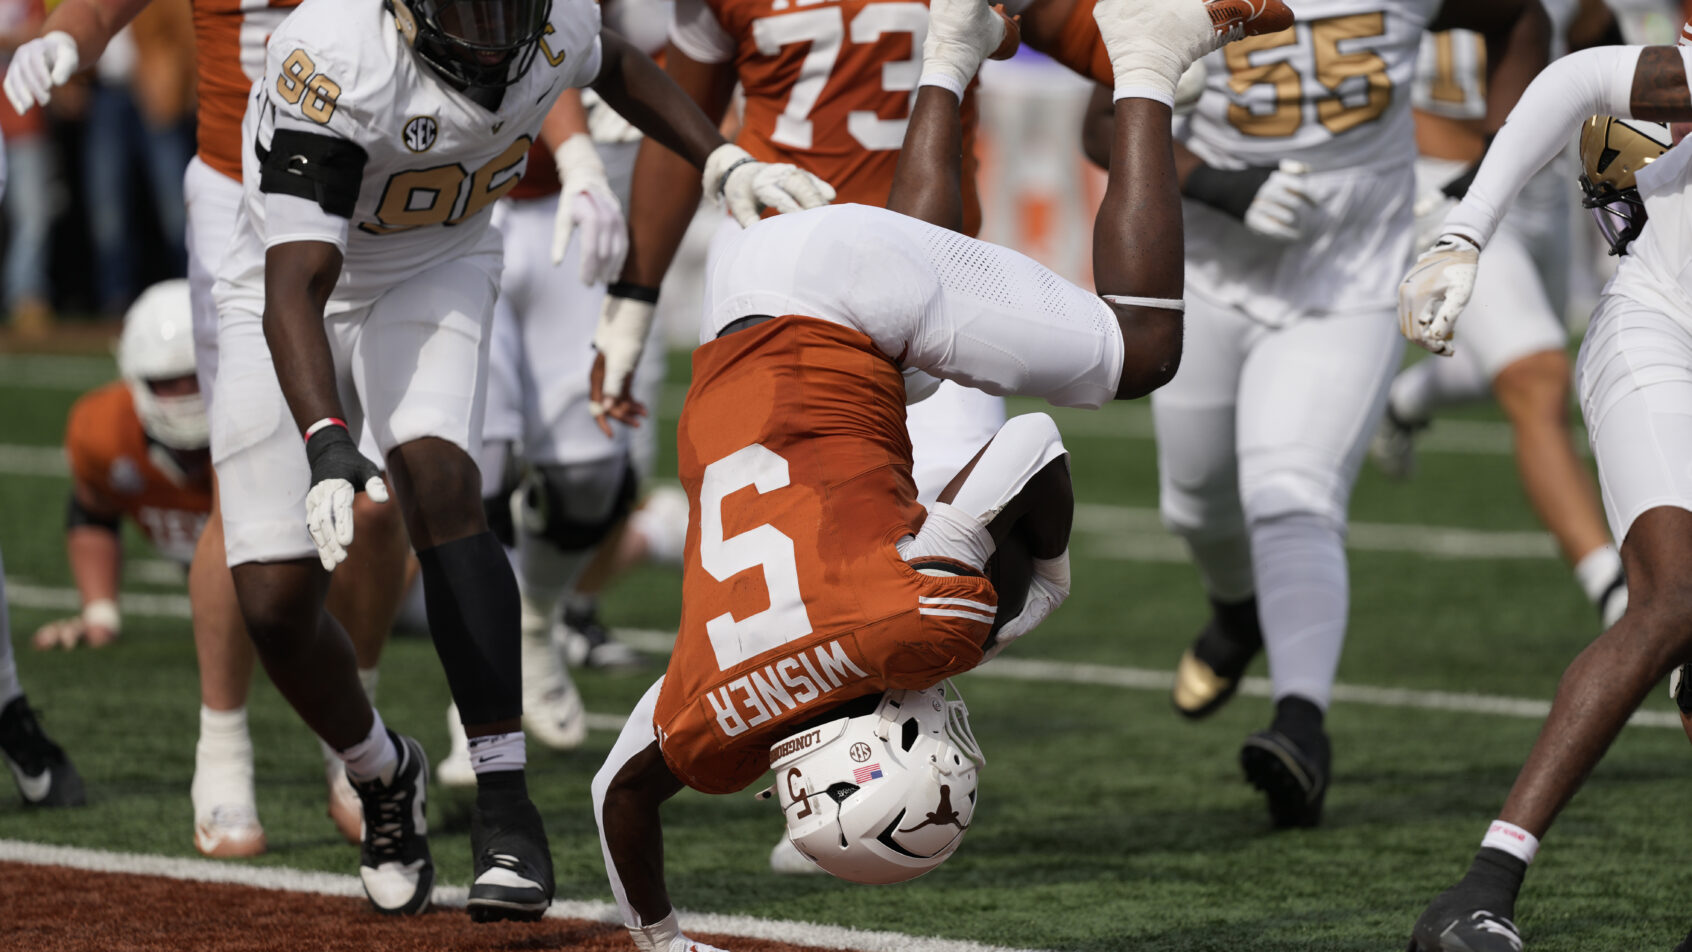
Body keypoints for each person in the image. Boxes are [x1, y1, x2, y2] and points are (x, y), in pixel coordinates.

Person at [587, 0, 1291, 947]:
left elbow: (1032, 445)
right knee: (916, 353)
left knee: (1143, 351)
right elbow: (617, 794)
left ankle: (1145, 57)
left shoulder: (919, 627)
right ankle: (950, 50)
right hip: (750, 291)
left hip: (834, 292)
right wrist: (663, 943)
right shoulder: (709, 714)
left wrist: (1042, 583)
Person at [203, 0, 832, 920]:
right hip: (288, 284)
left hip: (438, 263)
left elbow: (618, 64)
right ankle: (381, 769)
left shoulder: (554, 22)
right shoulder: (333, 52)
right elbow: (296, 285)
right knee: (273, 601)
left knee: (443, 485)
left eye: (509, 4)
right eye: (471, 7)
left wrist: (719, 158)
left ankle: (505, 808)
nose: (493, 30)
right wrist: (327, 439)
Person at [1077, 0, 1549, 829]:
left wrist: (1488, 164)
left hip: (1349, 280)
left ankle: (1301, 727)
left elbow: (1520, 18)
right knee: (1195, 505)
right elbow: (1099, 125)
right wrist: (1221, 183)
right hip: (1210, 276)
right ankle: (1237, 613)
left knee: (1293, 492)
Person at [5, 0, 408, 858]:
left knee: (377, 498)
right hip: (238, 188)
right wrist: (63, 38)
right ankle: (222, 743)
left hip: (380, 197)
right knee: (243, 489)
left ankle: (356, 733)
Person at [1397, 35, 1692, 952]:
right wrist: (1462, 234)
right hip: (1663, 331)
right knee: (1677, 598)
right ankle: (1481, 888)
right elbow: (1580, 78)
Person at [1372, 13, 1629, 631]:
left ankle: (1404, 402)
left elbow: (1603, 49)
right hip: (1443, 189)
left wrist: (1625, 178)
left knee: (1535, 359)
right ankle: (1615, 590)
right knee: (1538, 375)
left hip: (1543, 194)